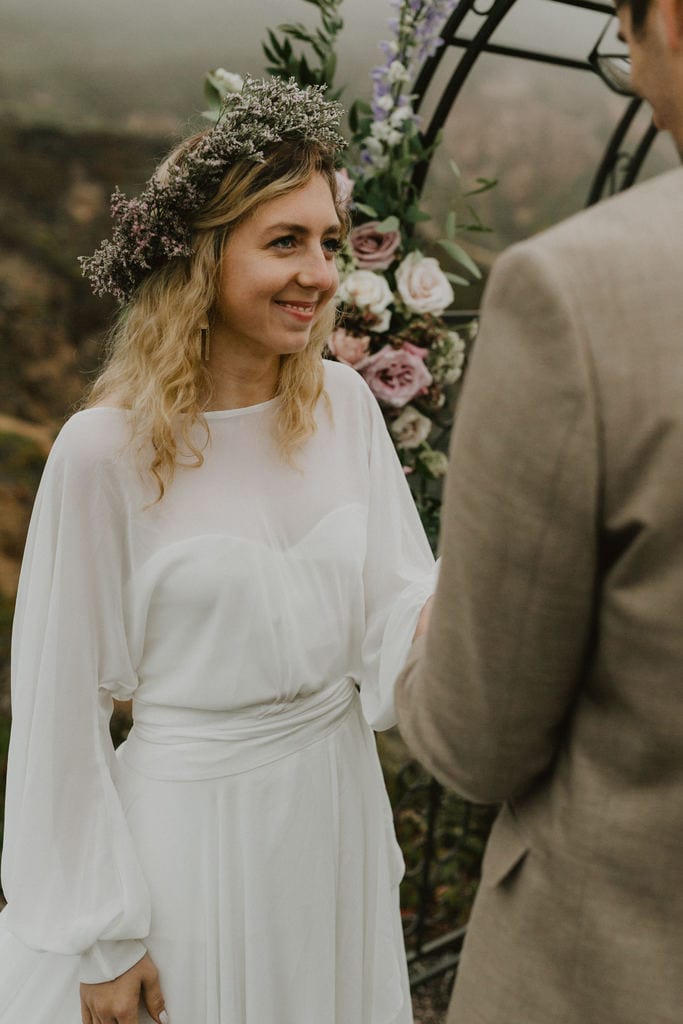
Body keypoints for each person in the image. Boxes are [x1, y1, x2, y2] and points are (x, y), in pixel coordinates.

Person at [0, 76, 436, 1024]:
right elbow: (60, 709)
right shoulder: (103, 452)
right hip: (191, 848)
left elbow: (401, 611)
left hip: (333, 823)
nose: (319, 273)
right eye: (285, 242)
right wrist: (103, 937)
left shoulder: (344, 407)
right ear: (203, 257)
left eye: (328, 242)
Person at [394, 2, 683, 1023]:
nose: (633, 84)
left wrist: (424, 642)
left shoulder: (577, 297)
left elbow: (477, 739)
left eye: (625, 41)